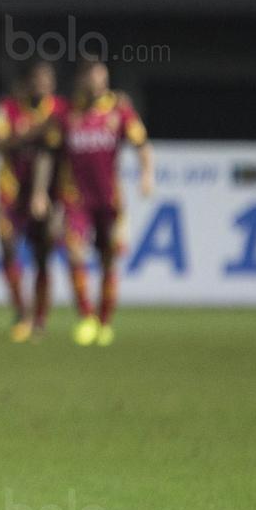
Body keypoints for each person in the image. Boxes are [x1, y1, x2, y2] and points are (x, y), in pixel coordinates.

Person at [32, 60, 154, 346]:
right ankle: (87, 316)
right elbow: (47, 154)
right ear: (81, 80)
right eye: (92, 77)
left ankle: (105, 321)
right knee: (74, 254)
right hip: (76, 200)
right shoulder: (66, 114)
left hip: (109, 200)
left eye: (102, 77)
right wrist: (39, 192)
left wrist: (146, 174)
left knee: (109, 260)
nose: (97, 83)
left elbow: (142, 145)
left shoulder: (120, 110)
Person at [0, 61, 67, 342]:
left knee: (43, 255)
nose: (44, 84)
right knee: (7, 248)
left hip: (48, 193)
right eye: (38, 79)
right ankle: (22, 312)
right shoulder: (7, 108)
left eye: (48, 79)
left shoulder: (61, 110)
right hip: (12, 190)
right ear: (27, 82)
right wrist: (34, 133)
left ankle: (40, 320)